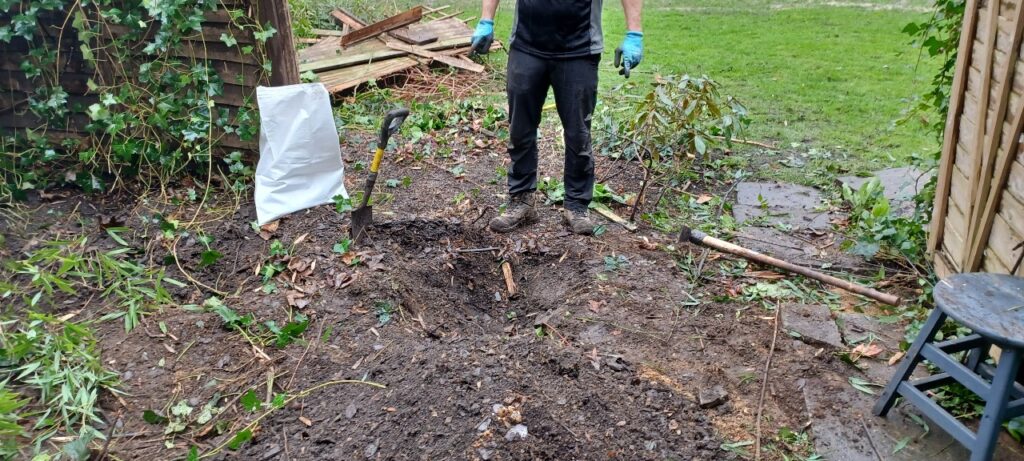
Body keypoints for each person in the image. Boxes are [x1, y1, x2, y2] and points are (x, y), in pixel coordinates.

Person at [471, 0, 644, 235]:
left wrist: (634, 33)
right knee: (520, 128)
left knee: (578, 133)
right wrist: (486, 20)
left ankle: (576, 205)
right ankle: (521, 199)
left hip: (580, 50)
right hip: (526, 45)